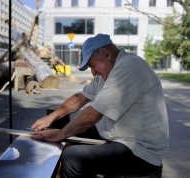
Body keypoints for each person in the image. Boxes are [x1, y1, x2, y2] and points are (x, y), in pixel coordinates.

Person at [31, 33, 169, 178]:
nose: (93, 72)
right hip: (122, 135)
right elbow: (80, 98)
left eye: (92, 65)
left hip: (140, 150)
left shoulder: (128, 66)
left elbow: (93, 114)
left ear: (106, 54)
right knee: (75, 130)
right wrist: (50, 118)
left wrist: (60, 134)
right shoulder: (106, 73)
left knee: (72, 158)